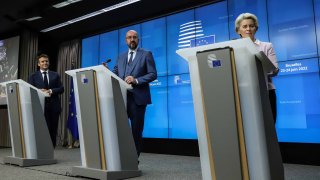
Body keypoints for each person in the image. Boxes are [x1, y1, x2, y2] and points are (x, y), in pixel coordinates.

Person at [113, 30, 157, 157]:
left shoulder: (146, 54)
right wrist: (105, 71)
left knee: (136, 131)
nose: (132, 39)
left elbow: (153, 74)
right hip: (122, 98)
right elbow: (115, 73)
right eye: (129, 37)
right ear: (126, 40)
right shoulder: (121, 57)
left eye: (134, 37)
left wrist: (136, 80)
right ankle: (121, 156)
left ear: (138, 39)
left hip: (138, 99)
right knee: (120, 129)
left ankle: (134, 159)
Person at [235, 13, 279, 123]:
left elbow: (275, 70)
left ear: (256, 28)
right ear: (238, 30)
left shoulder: (266, 46)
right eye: (244, 26)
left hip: (266, 91)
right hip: (242, 92)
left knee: (268, 124)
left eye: (251, 26)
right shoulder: (233, 48)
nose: (248, 29)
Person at [29, 54, 64, 147]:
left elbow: (61, 89)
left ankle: (51, 151)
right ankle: (41, 149)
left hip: (54, 107)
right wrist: (39, 91)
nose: (45, 63)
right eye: (42, 61)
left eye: (46, 61)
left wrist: (51, 91)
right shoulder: (33, 76)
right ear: (38, 64)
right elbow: (30, 89)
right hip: (40, 107)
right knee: (41, 129)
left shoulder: (55, 75)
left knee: (53, 129)